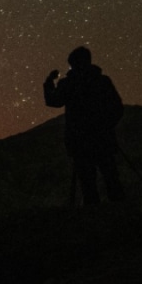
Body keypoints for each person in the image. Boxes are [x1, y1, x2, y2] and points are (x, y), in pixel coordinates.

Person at [43, 46, 125, 205]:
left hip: (80, 141)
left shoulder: (68, 84)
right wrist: (106, 126)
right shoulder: (102, 81)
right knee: (111, 178)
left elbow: (53, 101)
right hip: (103, 139)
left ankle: (93, 215)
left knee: (88, 183)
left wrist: (49, 82)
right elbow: (117, 108)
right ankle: (122, 213)